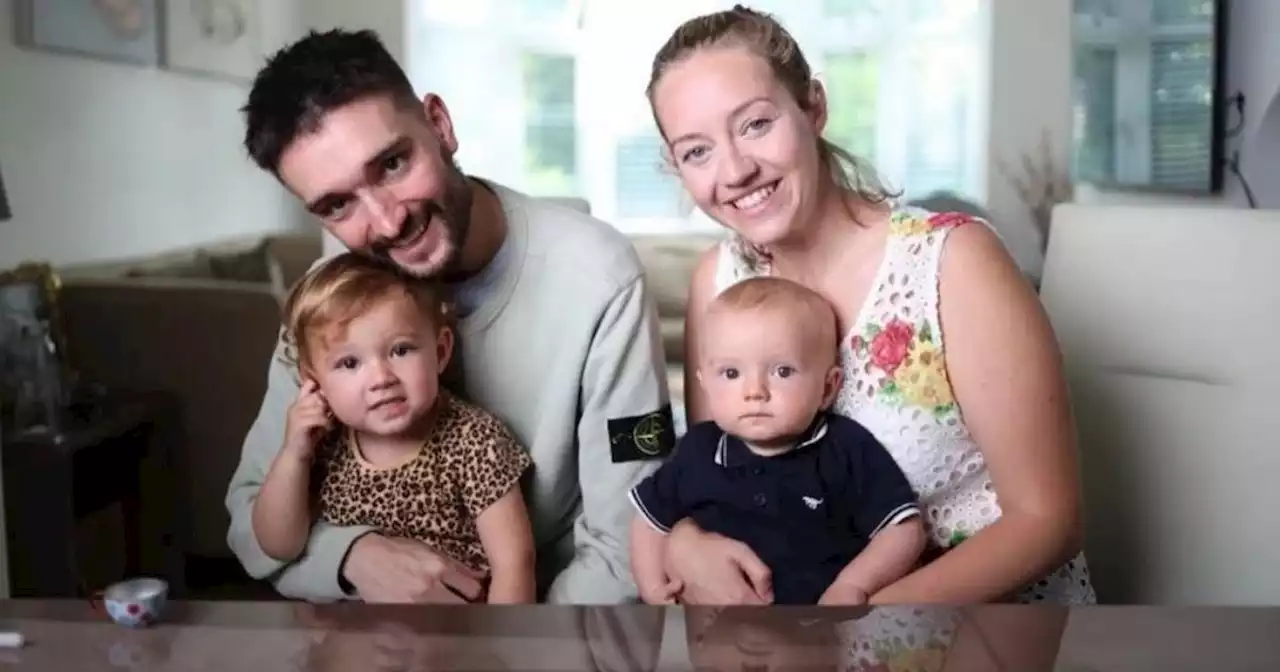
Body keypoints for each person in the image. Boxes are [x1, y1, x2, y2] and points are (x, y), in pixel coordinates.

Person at [649, 5, 1096, 607]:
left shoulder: (954, 262)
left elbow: (1047, 522)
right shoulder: (718, 281)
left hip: (987, 633)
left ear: (813, 107)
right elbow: (715, 472)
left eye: (755, 124)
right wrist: (684, 540)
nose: (735, 170)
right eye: (696, 152)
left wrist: (853, 629)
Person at [225, 28, 675, 605]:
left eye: (391, 164)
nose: (387, 223)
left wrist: (508, 647)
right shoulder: (328, 297)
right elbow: (251, 514)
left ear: (440, 125)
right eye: (337, 205)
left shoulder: (599, 278)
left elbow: (627, 538)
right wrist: (351, 557)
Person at [252, 253, 536, 603]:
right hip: (349, 640)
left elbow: (515, 563)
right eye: (350, 363)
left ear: (441, 351)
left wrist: (497, 653)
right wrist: (294, 454)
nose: (381, 379)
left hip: (455, 635)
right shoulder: (323, 442)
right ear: (314, 383)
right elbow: (278, 544)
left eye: (401, 350)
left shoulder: (475, 440)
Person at [628, 276, 925, 605]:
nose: (754, 391)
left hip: (817, 633)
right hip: (716, 637)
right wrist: (653, 588)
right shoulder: (697, 451)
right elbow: (649, 523)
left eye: (782, 371)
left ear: (828, 388)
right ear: (705, 385)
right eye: (730, 374)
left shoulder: (846, 448)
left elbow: (903, 531)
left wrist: (853, 586)